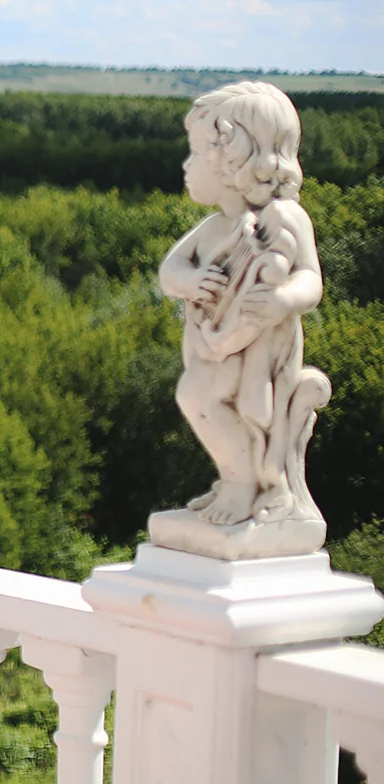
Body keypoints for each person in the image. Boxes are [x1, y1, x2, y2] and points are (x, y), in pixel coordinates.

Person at [158, 81, 328, 527]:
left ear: (233, 161)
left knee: (197, 396)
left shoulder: (285, 218)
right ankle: (239, 478)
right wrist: (193, 281)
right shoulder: (215, 227)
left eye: (196, 153)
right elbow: (169, 272)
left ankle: (244, 485)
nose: (187, 165)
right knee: (199, 398)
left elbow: (311, 279)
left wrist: (284, 298)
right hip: (216, 341)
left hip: (259, 348)